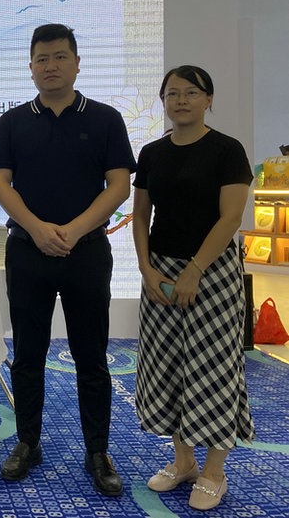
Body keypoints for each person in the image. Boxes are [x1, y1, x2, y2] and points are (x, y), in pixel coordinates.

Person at [0, 24, 135, 496]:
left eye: (59, 57)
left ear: (76, 63)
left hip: (85, 251)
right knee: (28, 354)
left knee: (91, 356)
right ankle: (27, 442)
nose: (50, 66)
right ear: (30, 67)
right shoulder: (12, 122)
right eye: (42, 59)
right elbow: (0, 183)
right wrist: (36, 228)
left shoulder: (106, 118)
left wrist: (73, 230)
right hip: (27, 250)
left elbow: (119, 185)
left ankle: (98, 450)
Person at [132, 65, 254, 511]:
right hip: (161, 272)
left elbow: (231, 218)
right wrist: (146, 270)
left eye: (191, 92)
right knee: (167, 367)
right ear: (163, 101)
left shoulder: (227, 150)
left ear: (208, 99)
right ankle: (183, 462)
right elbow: (140, 216)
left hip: (213, 271)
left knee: (214, 369)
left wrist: (195, 269)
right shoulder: (152, 153)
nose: (180, 100)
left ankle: (214, 472)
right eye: (172, 93)